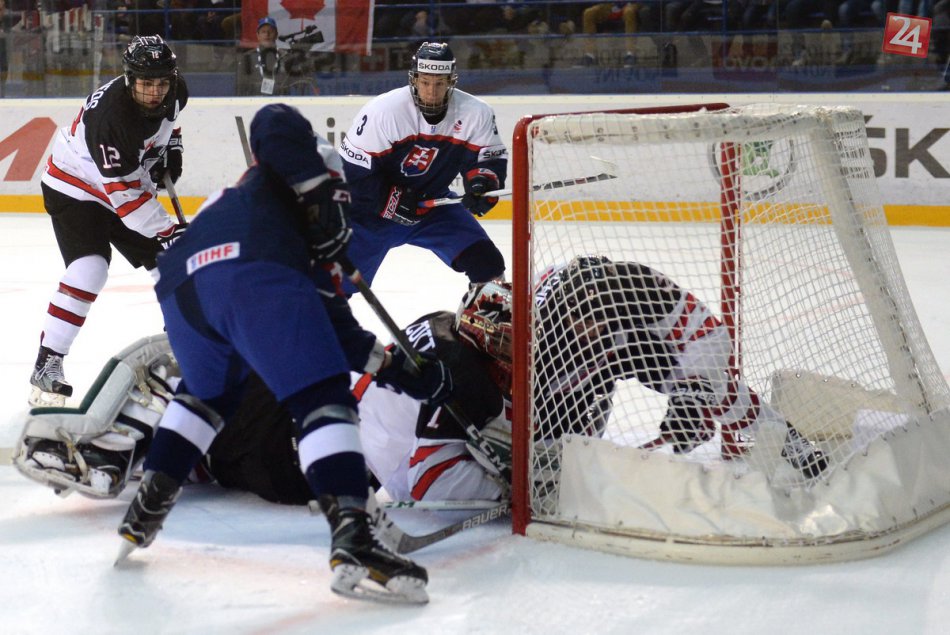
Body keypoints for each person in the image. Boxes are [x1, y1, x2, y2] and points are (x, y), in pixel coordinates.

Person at [112, 103, 452, 605]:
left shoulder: (277, 224)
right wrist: (318, 198)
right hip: (249, 271)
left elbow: (332, 327)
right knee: (322, 397)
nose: (343, 213)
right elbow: (272, 119)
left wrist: (393, 367)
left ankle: (146, 508)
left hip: (183, 289)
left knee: (207, 397)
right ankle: (355, 542)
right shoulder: (283, 183)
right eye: (338, 199)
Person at [532, 255, 828, 478]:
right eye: (579, 318)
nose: (588, 328)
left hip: (629, 347)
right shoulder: (539, 317)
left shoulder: (642, 287)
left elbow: (709, 334)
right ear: (563, 305)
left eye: (597, 318)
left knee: (712, 385)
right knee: (546, 443)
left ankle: (788, 439)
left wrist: (692, 395)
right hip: (561, 365)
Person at [29, 35, 188, 408]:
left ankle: (186, 343)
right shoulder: (111, 119)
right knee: (90, 269)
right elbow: (128, 203)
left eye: (161, 83)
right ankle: (47, 362)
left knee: (170, 265)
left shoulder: (176, 90)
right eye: (146, 83)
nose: (155, 92)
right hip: (75, 186)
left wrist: (171, 147)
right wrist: (169, 232)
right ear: (129, 78)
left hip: (122, 182)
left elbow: (169, 123)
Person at [338, 41, 508, 293]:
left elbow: (488, 159)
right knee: (336, 287)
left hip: (432, 208)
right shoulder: (384, 112)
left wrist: (482, 184)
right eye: (425, 82)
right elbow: (352, 173)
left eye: (439, 83)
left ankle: (489, 316)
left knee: (488, 265)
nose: (431, 91)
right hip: (371, 216)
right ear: (414, 79)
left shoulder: (476, 113)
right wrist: (391, 201)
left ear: (451, 81)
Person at [236, 16, 285, 96]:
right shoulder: (247, 57)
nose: (267, 34)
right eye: (263, 32)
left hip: (281, 100)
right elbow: (241, 87)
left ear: (276, 35)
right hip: (255, 100)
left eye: (270, 31)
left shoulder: (284, 56)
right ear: (258, 35)